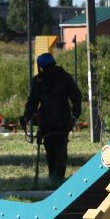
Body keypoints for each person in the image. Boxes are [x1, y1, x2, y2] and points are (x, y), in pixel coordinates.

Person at [22, 52, 82, 184]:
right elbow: (33, 101)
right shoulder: (38, 81)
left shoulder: (65, 79)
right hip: (46, 122)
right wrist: (26, 117)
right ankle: (53, 178)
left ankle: (58, 179)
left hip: (62, 121)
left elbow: (76, 98)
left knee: (60, 151)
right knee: (50, 151)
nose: (45, 71)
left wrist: (74, 116)